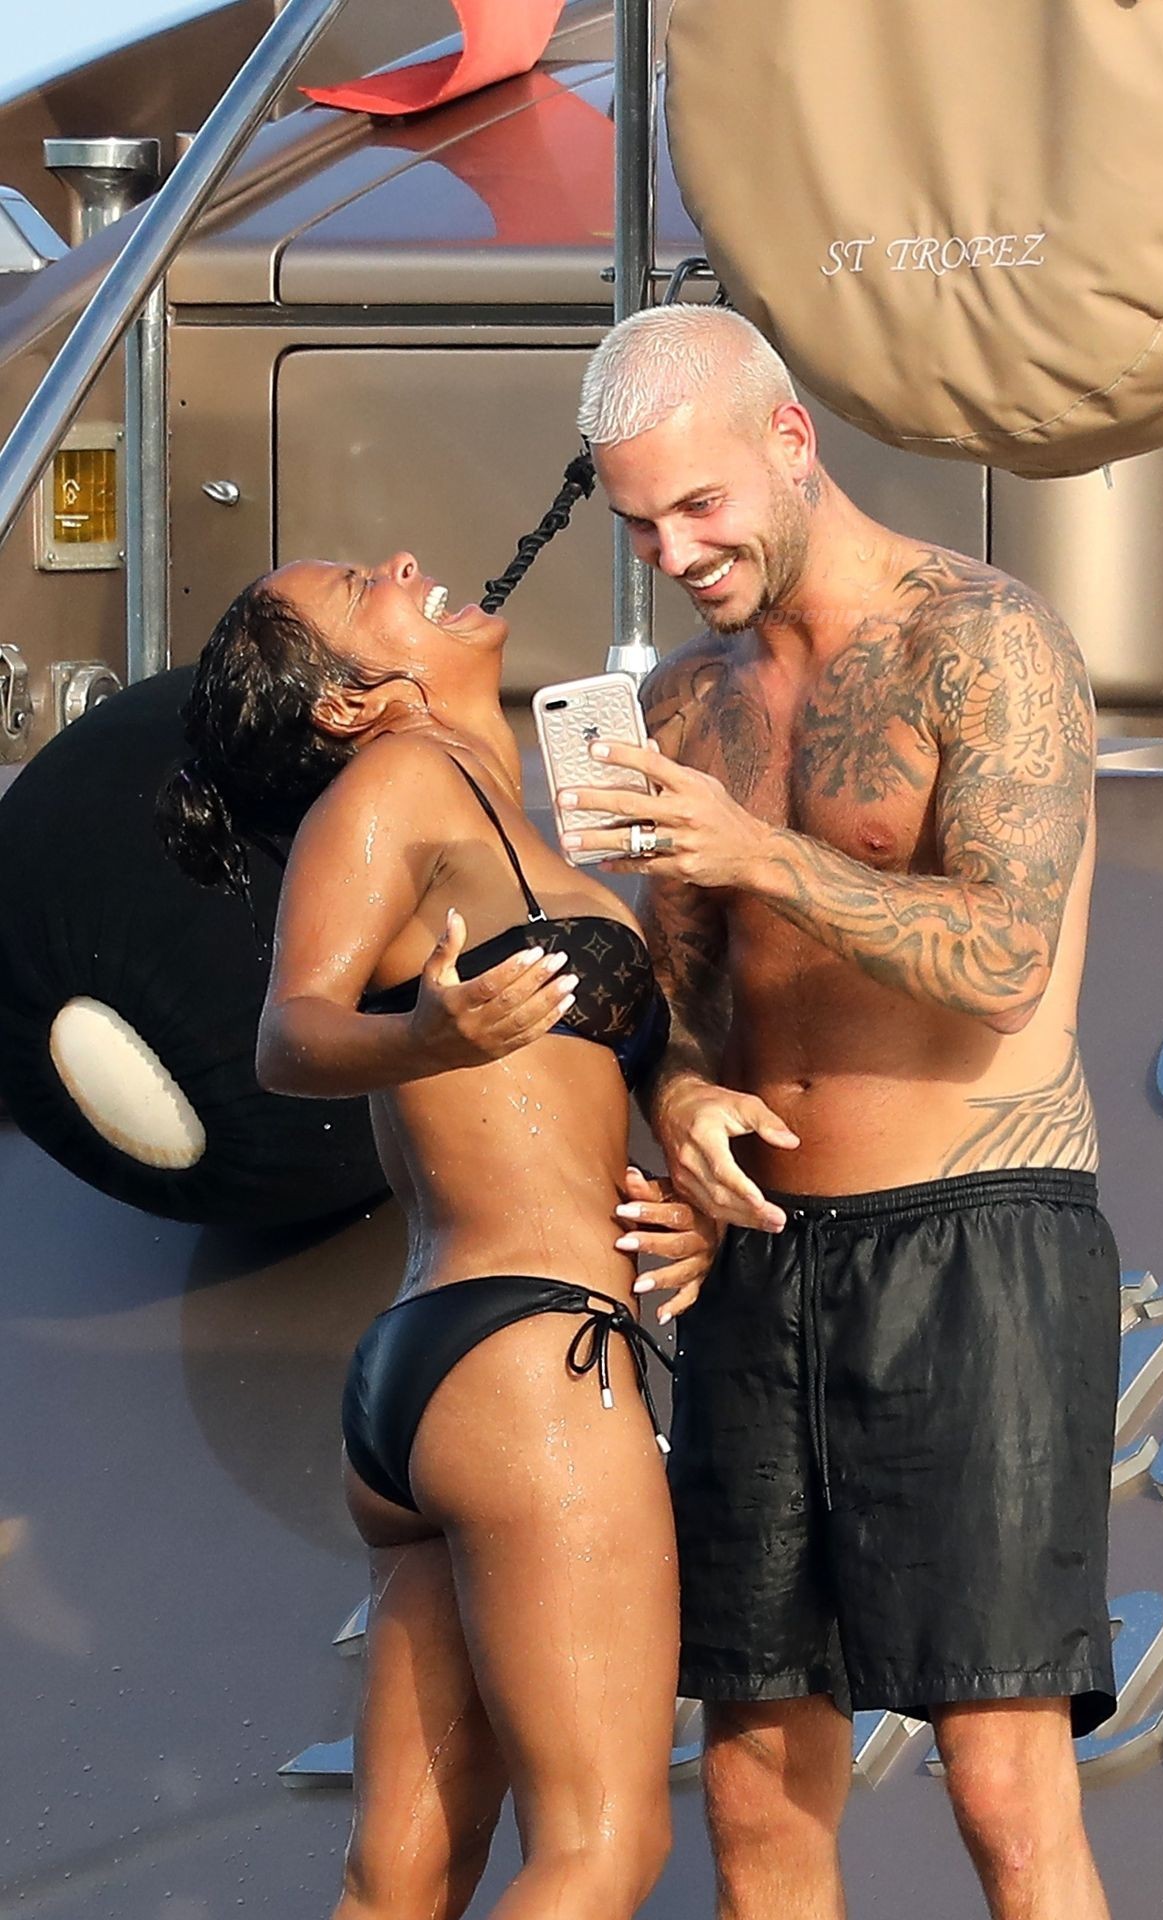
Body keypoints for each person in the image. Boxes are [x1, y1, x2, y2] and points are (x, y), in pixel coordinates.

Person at [564, 304, 1121, 1920]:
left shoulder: (985, 639)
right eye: (641, 525)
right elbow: (680, 995)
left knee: (1003, 1783)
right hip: (764, 1259)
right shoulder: (685, 703)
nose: (676, 552)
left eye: (701, 505)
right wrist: (682, 1098)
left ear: (791, 441)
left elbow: (1007, 959)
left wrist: (760, 853)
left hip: (976, 1237)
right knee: (753, 1787)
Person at [157, 551, 715, 1920]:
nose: (406, 561)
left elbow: (563, 1095)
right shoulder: (396, 783)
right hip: (529, 1363)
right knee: (602, 1850)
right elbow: (290, 1033)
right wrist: (425, 1035)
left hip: (445, 1373)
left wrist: (683, 1193)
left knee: (398, 1882)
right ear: (348, 703)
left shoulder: (484, 795)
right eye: (364, 585)